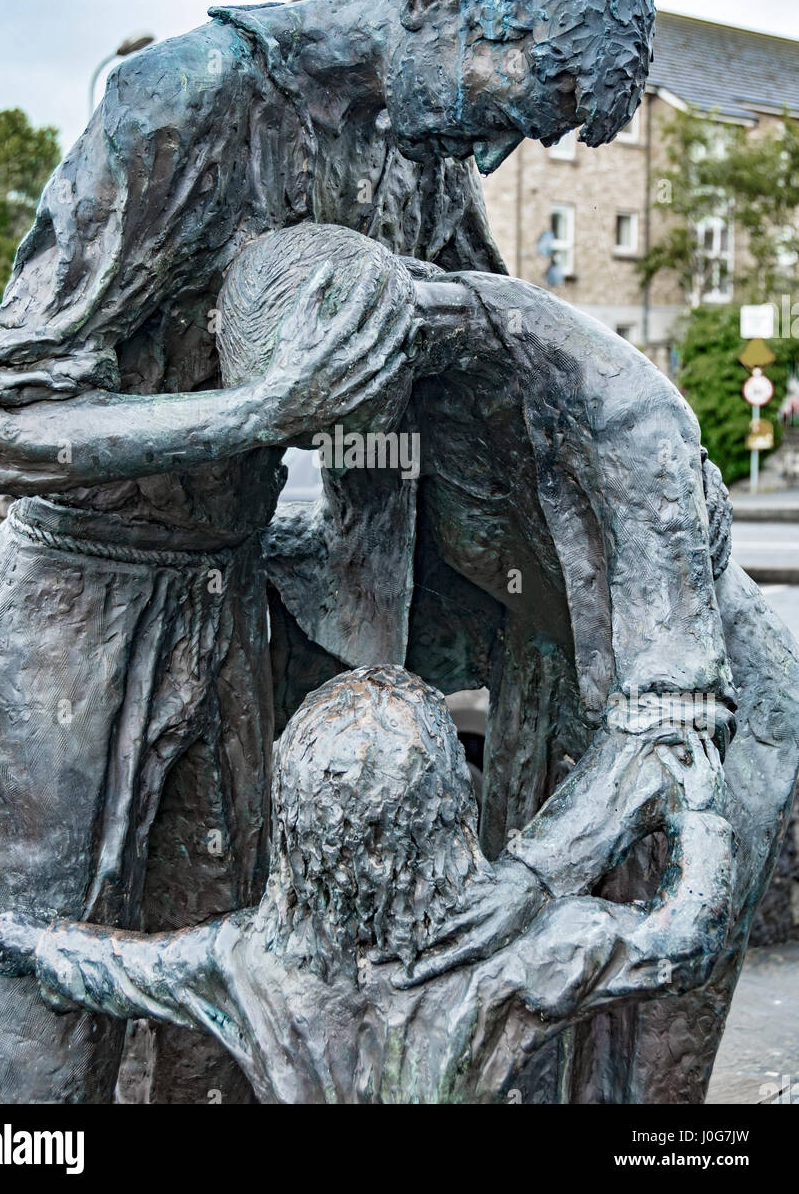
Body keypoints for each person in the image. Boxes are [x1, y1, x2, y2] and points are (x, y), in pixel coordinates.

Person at [0, 0, 657, 1102]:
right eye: (515, 105)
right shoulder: (181, 100)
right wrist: (253, 419)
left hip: (226, 599)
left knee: (228, 1010)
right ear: (437, 3)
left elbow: (458, 391)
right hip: (75, 602)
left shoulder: (423, 160)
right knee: (45, 985)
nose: (500, 155)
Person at [218, 221, 799, 1104]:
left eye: (326, 419)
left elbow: (676, 718)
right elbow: (385, 573)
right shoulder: (390, 403)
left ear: (372, 360)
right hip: (551, 687)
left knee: (640, 1057)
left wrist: (532, 875)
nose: (320, 448)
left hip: (709, 727)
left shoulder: (621, 413)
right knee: (524, 1044)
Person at [0, 668, 731, 1105]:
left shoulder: (244, 963)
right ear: (447, 811)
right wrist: (699, 812)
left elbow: (124, 971)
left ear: (295, 825)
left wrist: (28, 944)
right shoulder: (528, 955)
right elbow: (681, 944)